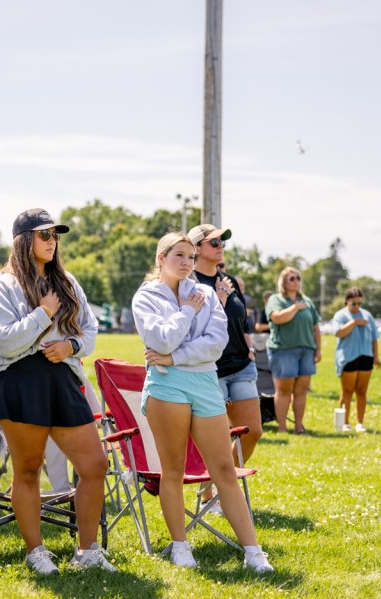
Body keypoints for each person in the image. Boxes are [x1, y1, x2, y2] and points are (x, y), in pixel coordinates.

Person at [0, 208, 114, 575]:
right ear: (24, 240)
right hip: (20, 380)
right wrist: (43, 313)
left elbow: (90, 330)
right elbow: (3, 342)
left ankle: (87, 551)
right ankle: (36, 551)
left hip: (63, 378)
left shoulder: (67, 281)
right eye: (44, 234)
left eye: (55, 234)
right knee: (27, 470)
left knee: (95, 465)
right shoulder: (5, 286)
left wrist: (71, 346)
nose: (51, 240)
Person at [133, 232, 274, 573]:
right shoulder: (145, 297)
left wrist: (174, 357)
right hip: (167, 387)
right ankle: (180, 547)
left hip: (205, 383)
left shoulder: (206, 293)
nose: (186, 263)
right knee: (174, 470)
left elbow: (216, 344)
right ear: (161, 258)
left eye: (191, 257)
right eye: (179, 255)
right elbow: (159, 340)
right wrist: (185, 312)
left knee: (224, 469)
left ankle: (253, 552)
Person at [189, 225, 263, 470]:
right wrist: (218, 298)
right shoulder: (189, 283)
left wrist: (250, 351)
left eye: (222, 242)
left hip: (242, 366)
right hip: (211, 369)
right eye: (214, 242)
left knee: (252, 432)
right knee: (217, 439)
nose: (220, 246)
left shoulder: (229, 281)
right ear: (196, 248)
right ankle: (214, 487)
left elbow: (243, 322)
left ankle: (222, 481)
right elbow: (193, 325)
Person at [265, 267, 321, 434]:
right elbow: (277, 318)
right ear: (283, 282)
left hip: (306, 351)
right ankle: (282, 427)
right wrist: (295, 308)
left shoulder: (307, 301)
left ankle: (298, 427)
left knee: (301, 391)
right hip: (283, 351)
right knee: (284, 391)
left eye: (298, 278)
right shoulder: (276, 299)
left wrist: (318, 349)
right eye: (291, 278)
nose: (296, 281)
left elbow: (315, 326)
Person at [332, 287, 381, 432]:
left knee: (361, 391)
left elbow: (374, 338)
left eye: (359, 303)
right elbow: (339, 332)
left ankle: (360, 423)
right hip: (348, 357)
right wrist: (354, 322)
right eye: (354, 303)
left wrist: (376, 356)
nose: (357, 306)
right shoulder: (340, 315)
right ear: (346, 301)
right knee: (347, 391)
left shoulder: (367, 315)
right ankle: (344, 423)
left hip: (366, 356)